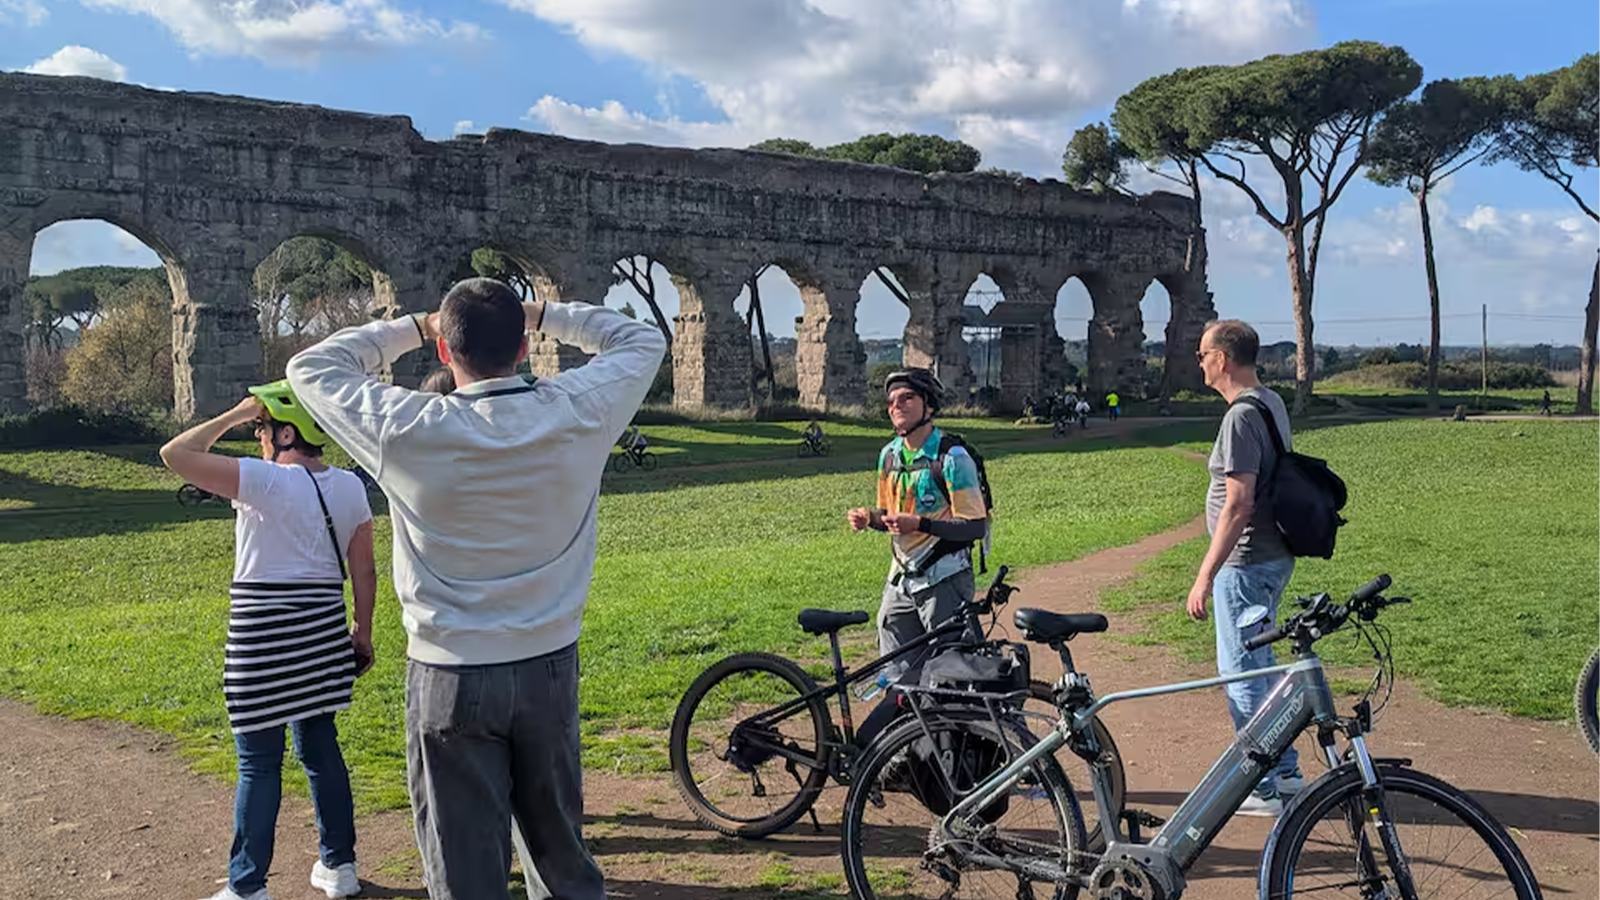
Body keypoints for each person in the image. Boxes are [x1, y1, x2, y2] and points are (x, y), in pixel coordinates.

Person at [286, 278, 665, 900]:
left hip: (449, 672)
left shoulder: (408, 426)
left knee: (464, 875)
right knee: (563, 864)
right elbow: (640, 338)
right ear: (523, 348)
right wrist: (541, 313)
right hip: (548, 664)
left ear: (445, 350)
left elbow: (310, 367)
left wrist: (415, 325)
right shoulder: (577, 409)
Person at [159, 381, 377, 900]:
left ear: (285, 433)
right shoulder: (351, 487)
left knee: (258, 760)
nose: (257, 436)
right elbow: (364, 570)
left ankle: (247, 885)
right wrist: (362, 631)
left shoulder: (262, 480)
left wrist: (233, 413)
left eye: (261, 428)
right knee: (321, 749)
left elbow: (176, 454)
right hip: (323, 629)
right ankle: (339, 866)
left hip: (262, 633)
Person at [1186, 320, 1304, 817]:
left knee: (1240, 672)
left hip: (1247, 561)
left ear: (1223, 359)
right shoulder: (1269, 402)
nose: (1199, 363)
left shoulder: (1240, 417)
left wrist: (1206, 574)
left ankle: (1261, 784)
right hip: (1272, 554)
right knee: (1262, 665)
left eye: (1202, 355)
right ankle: (1287, 770)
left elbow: (1238, 503)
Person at [846, 368, 989, 692]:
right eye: (891, 401)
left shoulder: (952, 457)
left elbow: (975, 527)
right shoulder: (889, 456)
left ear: (929, 405)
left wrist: (921, 524)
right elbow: (889, 516)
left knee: (951, 676)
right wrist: (870, 518)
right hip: (900, 579)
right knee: (896, 675)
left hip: (944, 580)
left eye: (907, 398)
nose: (896, 405)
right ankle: (908, 726)